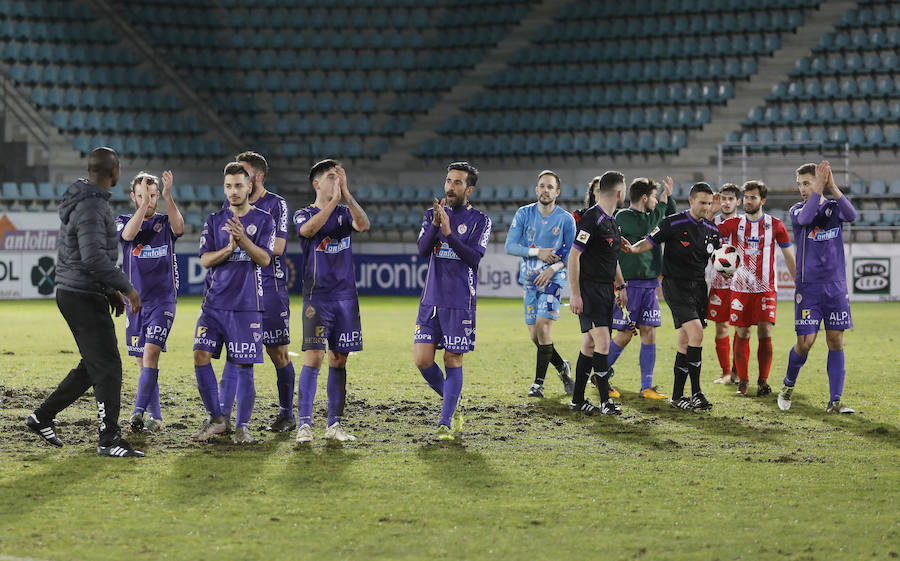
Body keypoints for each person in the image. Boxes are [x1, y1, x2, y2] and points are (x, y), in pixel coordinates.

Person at [25, 147, 144, 457]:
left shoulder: (87, 201)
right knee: (108, 366)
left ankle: (42, 416)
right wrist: (125, 287)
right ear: (112, 172)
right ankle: (109, 440)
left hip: (79, 290)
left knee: (94, 365)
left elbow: (87, 255)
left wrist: (109, 291)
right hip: (80, 293)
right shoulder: (91, 205)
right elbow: (92, 257)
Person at [192, 162, 275, 444]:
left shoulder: (264, 220)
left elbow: (265, 259)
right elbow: (204, 260)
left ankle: (243, 427)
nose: (233, 191)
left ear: (249, 187)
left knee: (244, 367)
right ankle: (217, 418)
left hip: (246, 306)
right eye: (228, 186)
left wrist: (243, 239)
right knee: (199, 354)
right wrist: (229, 247)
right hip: (213, 305)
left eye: (239, 185)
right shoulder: (215, 220)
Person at [622, 182, 722, 411]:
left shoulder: (712, 230)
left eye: (708, 203)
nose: (706, 207)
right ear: (691, 200)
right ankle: (697, 392)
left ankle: (678, 396)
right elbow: (648, 242)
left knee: (686, 340)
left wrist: (727, 267)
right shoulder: (673, 222)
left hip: (698, 288)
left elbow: (720, 258)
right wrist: (632, 249)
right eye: (702, 202)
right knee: (696, 332)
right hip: (674, 285)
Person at [217, 151, 297, 434]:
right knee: (235, 354)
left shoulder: (276, 204)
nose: (237, 179)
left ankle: (286, 413)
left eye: (244, 172)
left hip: (270, 287)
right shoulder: (231, 205)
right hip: (240, 290)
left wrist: (240, 241)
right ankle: (225, 417)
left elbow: (276, 248)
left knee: (278, 353)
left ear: (258, 177)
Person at [293, 159, 370, 443]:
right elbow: (308, 231)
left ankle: (334, 425)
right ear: (317, 183)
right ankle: (304, 425)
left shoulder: (344, 211)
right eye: (330, 176)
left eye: (339, 175)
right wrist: (333, 201)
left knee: (339, 360)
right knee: (314, 357)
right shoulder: (303, 213)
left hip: (346, 298)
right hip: (318, 297)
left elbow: (363, 225)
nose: (335, 179)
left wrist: (346, 196)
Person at [414, 162, 491, 440]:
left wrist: (448, 234)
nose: (450, 187)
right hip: (431, 299)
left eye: (458, 182)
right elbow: (423, 251)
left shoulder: (481, 220)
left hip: (460, 300)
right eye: (448, 181)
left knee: (452, 358)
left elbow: (473, 259)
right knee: (422, 360)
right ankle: (454, 401)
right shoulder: (431, 215)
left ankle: (446, 421)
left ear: (468, 189)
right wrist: (436, 226)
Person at [777, 161, 856, 414]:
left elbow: (853, 215)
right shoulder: (797, 210)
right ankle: (788, 385)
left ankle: (835, 401)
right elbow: (808, 217)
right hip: (808, 289)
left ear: (819, 181)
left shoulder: (834, 208)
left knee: (835, 341)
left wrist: (832, 186)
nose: (802, 188)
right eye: (799, 184)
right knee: (805, 342)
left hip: (835, 287)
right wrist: (818, 190)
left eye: (807, 183)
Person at [116, 170, 184, 433]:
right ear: (133, 196)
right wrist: (143, 206)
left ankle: (137, 413)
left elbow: (180, 228)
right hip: (135, 304)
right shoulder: (123, 221)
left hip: (163, 301)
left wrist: (168, 196)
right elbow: (129, 236)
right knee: (143, 363)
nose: (150, 200)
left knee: (151, 353)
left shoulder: (166, 222)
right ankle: (157, 417)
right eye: (143, 196)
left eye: (153, 195)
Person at [716, 181, 795, 396]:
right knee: (742, 332)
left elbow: (789, 256)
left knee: (765, 331)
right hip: (741, 288)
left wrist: (799, 283)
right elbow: (708, 230)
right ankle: (743, 381)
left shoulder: (776, 225)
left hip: (766, 288)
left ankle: (763, 381)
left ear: (763, 200)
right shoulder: (734, 223)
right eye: (747, 197)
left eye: (753, 197)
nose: (749, 201)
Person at [504, 170, 576, 398]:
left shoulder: (566, 220)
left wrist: (552, 268)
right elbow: (510, 246)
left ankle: (538, 384)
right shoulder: (524, 214)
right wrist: (538, 252)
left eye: (550, 187)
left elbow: (572, 254)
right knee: (535, 336)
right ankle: (563, 368)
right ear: (537, 190)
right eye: (542, 186)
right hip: (529, 281)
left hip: (553, 280)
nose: (545, 190)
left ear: (557, 192)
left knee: (544, 328)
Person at [606, 176, 678, 400]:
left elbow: (670, 219)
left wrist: (668, 198)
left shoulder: (652, 214)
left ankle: (646, 386)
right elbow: (648, 226)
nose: (657, 202)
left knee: (649, 332)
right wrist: (662, 205)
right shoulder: (624, 216)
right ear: (645, 198)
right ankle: (599, 375)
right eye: (654, 198)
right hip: (630, 283)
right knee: (625, 334)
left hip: (650, 284)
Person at [567, 171, 628, 415]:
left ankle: (577, 400)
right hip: (589, 289)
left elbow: (611, 259)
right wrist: (575, 293)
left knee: (590, 345)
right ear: (619, 192)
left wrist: (620, 286)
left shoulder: (612, 221)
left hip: (606, 290)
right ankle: (605, 401)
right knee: (603, 342)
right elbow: (574, 255)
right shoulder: (591, 219)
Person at [708, 183, 742, 384]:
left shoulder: (744, 223)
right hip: (718, 284)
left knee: (740, 328)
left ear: (738, 201)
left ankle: (738, 372)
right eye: (724, 198)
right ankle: (726, 373)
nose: (727, 203)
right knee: (721, 328)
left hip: (740, 285)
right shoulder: (711, 222)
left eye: (731, 199)